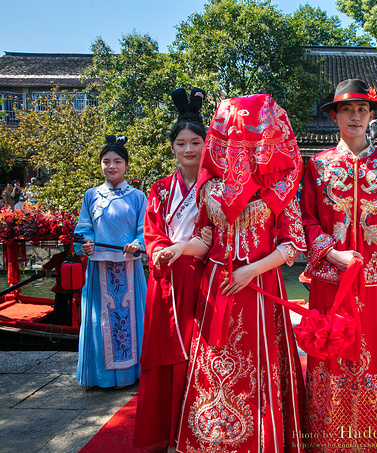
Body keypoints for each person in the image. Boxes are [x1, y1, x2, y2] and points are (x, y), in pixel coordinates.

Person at [158, 94, 306, 453]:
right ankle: (212, 437)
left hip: (258, 288)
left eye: (249, 139)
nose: (240, 148)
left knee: (259, 367)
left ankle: (261, 439)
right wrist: (179, 249)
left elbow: (293, 246)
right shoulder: (212, 189)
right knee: (212, 364)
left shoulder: (279, 190)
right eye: (233, 138)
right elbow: (204, 241)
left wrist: (251, 271)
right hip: (217, 287)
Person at [301, 79, 377, 451]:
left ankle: (369, 437)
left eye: (362, 110)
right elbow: (307, 220)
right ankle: (326, 438)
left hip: (376, 282)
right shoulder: (317, 165)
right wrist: (332, 252)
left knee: (372, 354)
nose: (356, 116)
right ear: (335, 117)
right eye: (348, 110)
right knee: (331, 350)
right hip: (331, 280)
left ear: (371, 116)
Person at [133, 88, 209, 451]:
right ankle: (163, 429)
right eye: (181, 143)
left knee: (200, 353)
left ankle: (197, 429)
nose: (189, 149)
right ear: (173, 148)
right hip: (166, 277)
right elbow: (151, 230)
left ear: (207, 144)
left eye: (196, 142)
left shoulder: (217, 187)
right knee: (164, 352)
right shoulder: (160, 189)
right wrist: (160, 251)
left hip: (202, 276)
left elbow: (216, 235)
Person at [73, 135, 148, 388]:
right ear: (101, 165)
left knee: (130, 318)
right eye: (106, 161)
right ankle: (100, 376)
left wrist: (137, 245)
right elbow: (83, 229)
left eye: (117, 161)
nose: (112, 166)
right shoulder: (91, 195)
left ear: (126, 165)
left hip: (128, 267)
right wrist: (86, 243)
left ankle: (132, 373)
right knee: (99, 321)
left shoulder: (138, 197)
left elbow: (145, 231)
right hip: (99, 269)